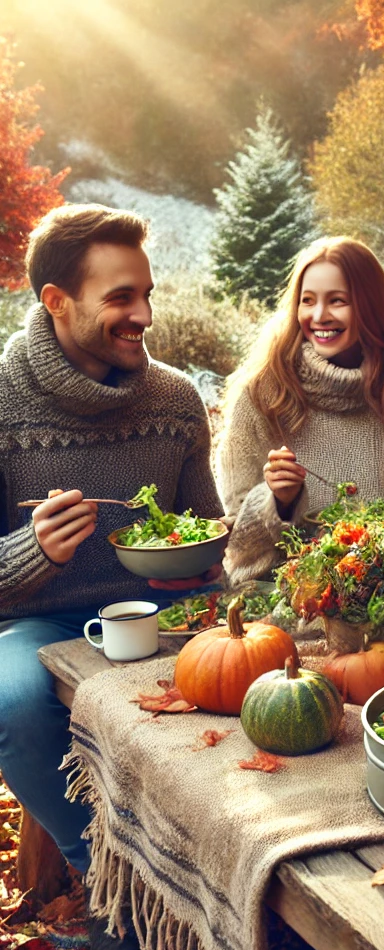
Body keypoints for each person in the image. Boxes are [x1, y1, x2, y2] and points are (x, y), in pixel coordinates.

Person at [0, 204, 224, 876]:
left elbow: (205, 528)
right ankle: (109, 873)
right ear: (57, 301)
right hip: (38, 626)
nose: (145, 316)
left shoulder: (176, 400)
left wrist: (200, 565)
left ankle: (217, 858)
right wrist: (28, 551)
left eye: (147, 294)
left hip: (164, 616)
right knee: (9, 699)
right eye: (120, 298)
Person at [217, 237, 384, 583]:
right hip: (280, 608)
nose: (319, 316)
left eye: (337, 301)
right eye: (307, 301)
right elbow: (237, 544)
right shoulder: (262, 400)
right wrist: (279, 501)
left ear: (371, 308)